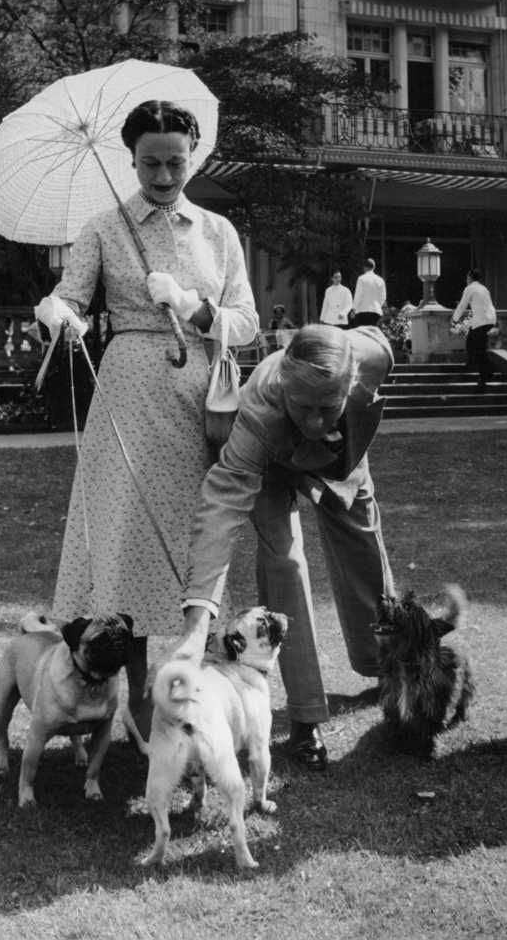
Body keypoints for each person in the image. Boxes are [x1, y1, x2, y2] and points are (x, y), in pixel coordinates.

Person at [34, 100, 259, 737]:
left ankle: (195, 690)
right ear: (130, 159)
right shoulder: (104, 226)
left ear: (194, 158)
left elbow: (245, 322)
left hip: (200, 406)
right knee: (125, 544)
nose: (163, 176)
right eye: (151, 163)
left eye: (176, 163)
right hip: (127, 398)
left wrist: (195, 306)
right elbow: (70, 299)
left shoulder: (217, 231)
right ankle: (128, 700)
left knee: (197, 543)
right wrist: (60, 315)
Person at [174, 323, 396, 770]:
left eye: (326, 407)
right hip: (272, 467)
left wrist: (332, 420)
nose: (314, 422)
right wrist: (198, 621)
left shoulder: (371, 358)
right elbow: (220, 512)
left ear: (350, 384)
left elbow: (373, 352)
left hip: (344, 463)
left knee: (365, 550)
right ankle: (305, 718)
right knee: (285, 564)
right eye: (302, 407)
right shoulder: (257, 417)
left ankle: (386, 668)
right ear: (286, 391)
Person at [450, 269, 497, 390]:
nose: (466, 280)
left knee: (479, 349)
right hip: (489, 319)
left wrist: (455, 319)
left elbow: (462, 305)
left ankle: (484, 377)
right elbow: (482, 307)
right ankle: (484, 369)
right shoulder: (484, 288)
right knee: (471, 342)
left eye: (467, 277)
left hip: (482, 321)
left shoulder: (470, 288)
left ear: (470, 277)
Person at [352, 258, 386, 327]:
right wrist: (377, 305)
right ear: (374, 267)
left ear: (365, 267)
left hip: (362, 311)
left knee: (362, 335)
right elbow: (383, 298)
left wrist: (354, 309)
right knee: (372, 335)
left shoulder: (361, 278)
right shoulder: (381, 280)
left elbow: (358, 295)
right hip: (376, 312)